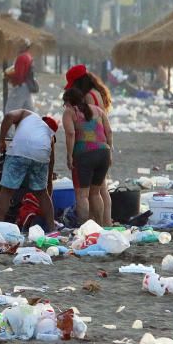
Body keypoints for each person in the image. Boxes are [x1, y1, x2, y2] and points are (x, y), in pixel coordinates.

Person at [65, 64, 113, 225]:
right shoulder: (97, 93)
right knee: (99, 190)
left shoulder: (89, 97)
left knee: (95, 191)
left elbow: (87, 124)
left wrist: (70, 154)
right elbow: (106, 127)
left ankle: (101, 222)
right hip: (102, 148)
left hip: (88, 149)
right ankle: (104, 223)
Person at [0, 109, 56, 230]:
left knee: (6, 192)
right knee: (42, 194)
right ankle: (52, 228)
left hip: (19, 152)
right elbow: (51, 161)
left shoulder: (25, 113)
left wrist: (1, 140)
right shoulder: (49, 133)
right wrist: (48, 184)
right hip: (41, 155)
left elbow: (8, 116)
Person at [4, 39, 36, 112]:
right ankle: (34, 123)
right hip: (26, 88)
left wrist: (10, 77)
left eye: (19, 45)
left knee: (10, 111)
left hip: (20, 87)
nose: (17, 46)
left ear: (24, 46)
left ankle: (10, 124)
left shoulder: (21, 57)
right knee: (29, 111)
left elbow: (19, 76)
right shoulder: (28, 56)